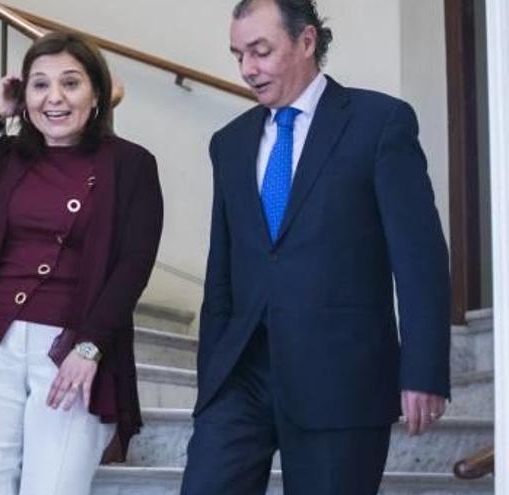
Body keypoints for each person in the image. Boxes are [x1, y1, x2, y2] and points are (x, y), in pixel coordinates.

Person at [181, 1, 451, 494]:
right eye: (238, 54)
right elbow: (222, 268)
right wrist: (211, 378)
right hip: (242, 373)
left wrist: (424, 367)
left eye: (260, 51)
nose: (247, 69)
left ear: (307, 42)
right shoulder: (230, 142)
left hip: (341, 377)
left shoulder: (379, 122)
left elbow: (420, 257)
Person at [0, 31, 163, 495]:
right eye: (40, 85)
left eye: (71, 83)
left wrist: (90, 348)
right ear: (24, 98)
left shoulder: (132, 165)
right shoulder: (6, 159)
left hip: (73, 352)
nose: (55, 98)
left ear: (97, 94)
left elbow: (134, 264)